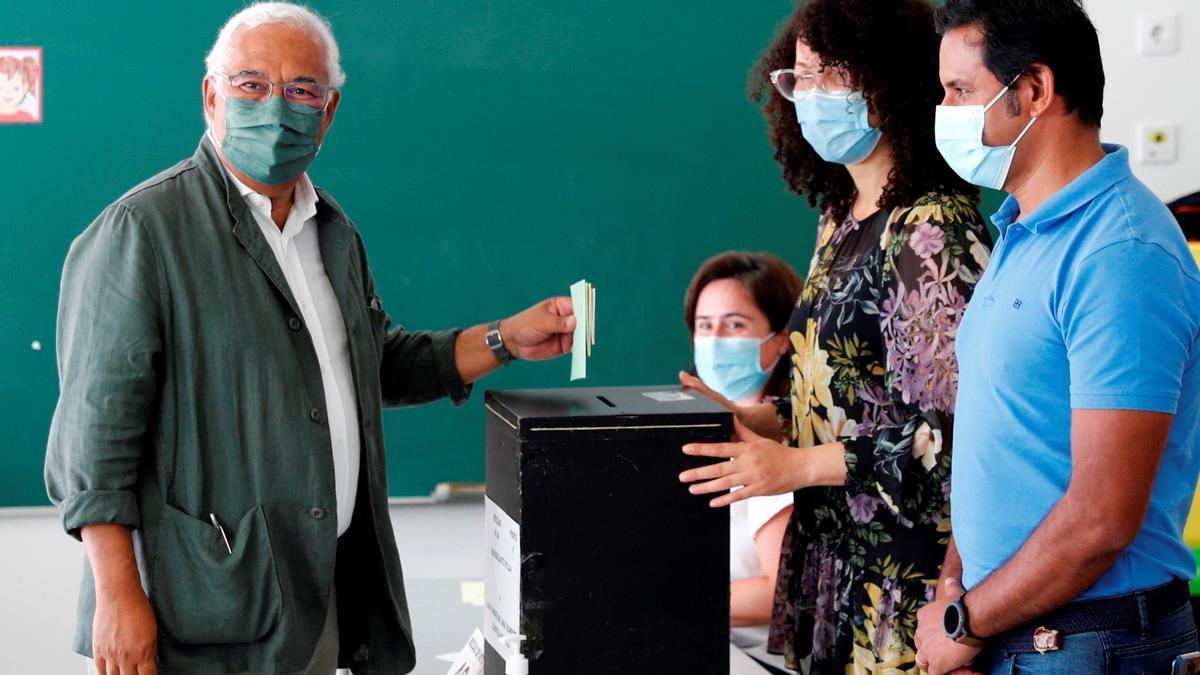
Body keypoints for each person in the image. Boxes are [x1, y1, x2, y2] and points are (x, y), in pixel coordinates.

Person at [43, 4, 574, 674]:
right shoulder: (143, 232)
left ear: (328, 112)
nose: (276, 106)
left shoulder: (333, 233)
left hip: (317, 586)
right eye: (252, 84)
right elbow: (94, 440)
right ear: (212, 96)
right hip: (200, 609)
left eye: (301, 91)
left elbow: (372, 365)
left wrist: (504, 338)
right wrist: (119, 597)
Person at [678, 0, 992, 671]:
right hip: (835, 570)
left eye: (833, 77)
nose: (810, 99)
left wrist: (796, 467)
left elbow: (950, 435)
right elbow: (824, 404)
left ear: (888, 85)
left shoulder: (931, 231)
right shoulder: (839, 222)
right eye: (800, 79)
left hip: (906, 580)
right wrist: (749, 419)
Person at [912, 1, 1200, 674]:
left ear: (1035, 90)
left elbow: (1102, 517)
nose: (945, 111)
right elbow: (999, 442)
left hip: (1092, 642)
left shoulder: (1120, 252)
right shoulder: (1020, 229)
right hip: (1012, 629)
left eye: (960, 91)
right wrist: (959, 593)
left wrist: (966, 620)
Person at [683, 251, 801, 670]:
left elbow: (777, 592)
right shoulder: (700, 432)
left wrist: (669, 600)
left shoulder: (774, 445)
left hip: (753, 659)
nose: (715, 341)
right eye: (704, 326)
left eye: (734, 325)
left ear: (781, 338)